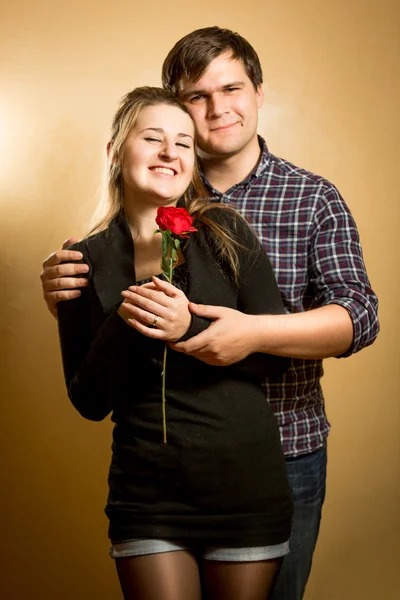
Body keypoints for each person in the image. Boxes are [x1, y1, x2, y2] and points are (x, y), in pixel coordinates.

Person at [41, 28, 380, 600]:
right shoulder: (138, 210)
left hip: (282, 450)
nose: (218, 108)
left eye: (232, 88)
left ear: (258, 94)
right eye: (197, 97)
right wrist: (73, 296)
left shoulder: (307, 198)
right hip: (157, 470)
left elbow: (361, 315)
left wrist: (248, 333)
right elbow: (91, 387)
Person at [56, 85, 293, 600]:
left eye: (184, 143)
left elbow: (273, 359)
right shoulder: (79, 260)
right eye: (154, 138)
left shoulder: (227, 231)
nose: (170, 152)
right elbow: (89, 401)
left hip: (244, 489)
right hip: (148, 497)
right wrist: (126, 318)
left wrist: (189, 329)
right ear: (117, 152)